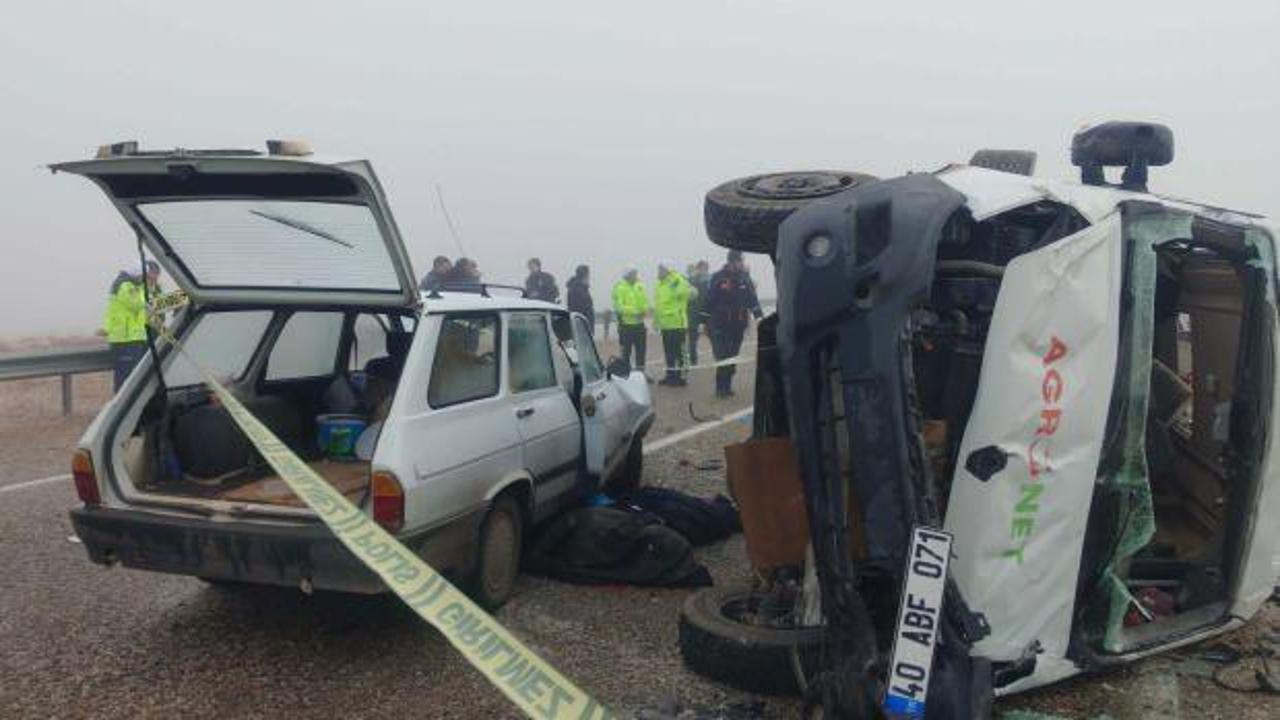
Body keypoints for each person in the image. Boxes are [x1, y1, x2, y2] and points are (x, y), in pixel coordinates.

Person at [704, 250, 762, 398]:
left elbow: (752, 299)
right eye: (740, 261)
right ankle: (720, 388)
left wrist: (759, 317)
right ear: (732, 261)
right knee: (722, 356)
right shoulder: (718, 277)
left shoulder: (745, 278)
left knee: (733, 356)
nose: (742, 263)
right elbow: (709, 300)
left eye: (742, 261)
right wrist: (702, 321)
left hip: (739, 325)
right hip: (720, 325)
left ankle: (728, 385)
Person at [103, 261, 160, 391]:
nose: (144, 280)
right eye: (143, 276)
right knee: (125, 376)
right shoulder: (124, 285)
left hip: (133, 337)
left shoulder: (133, 286)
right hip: (124, 338)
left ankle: (126, 400)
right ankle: (121, 404)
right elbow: (136, 304)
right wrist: (150, 299)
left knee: (132, 376)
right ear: (137, 274)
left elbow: (145, 307)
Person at [654, 263, 695, 386]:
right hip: (665, 325)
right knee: (669, 353)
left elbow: (684, 294)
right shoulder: (659, 285)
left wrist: (676, 284)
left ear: (667, 270)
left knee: (680, 353)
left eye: (661, 269)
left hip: (678, 324)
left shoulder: (678, 280)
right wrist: (656, 322)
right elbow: (659, 306)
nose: (658, 272)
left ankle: (681, 378)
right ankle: (670, 375)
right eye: (658, 269)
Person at [611, 267, 649, 374]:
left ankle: (641, 374)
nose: (636, 276)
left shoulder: (640, 286)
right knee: (625, 353)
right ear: (627, 275)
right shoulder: (619, 287)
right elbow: (619, 306)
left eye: (636, 273)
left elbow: (645, 301)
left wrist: (644, 310)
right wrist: (636, 312)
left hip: (640, 325)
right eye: (633, 274)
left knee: (641, 352)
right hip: (626, 326)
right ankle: (625, 374)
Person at [686, 260, 711, 365]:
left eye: (705, 269)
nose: (703, 271)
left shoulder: (710, 281)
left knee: (713, 337)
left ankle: (720, 357)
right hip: (693, 315)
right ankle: (693, 361)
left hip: (707, 315)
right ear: (698, 269)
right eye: (702, 268)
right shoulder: (691, 281)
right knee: (692, 340)